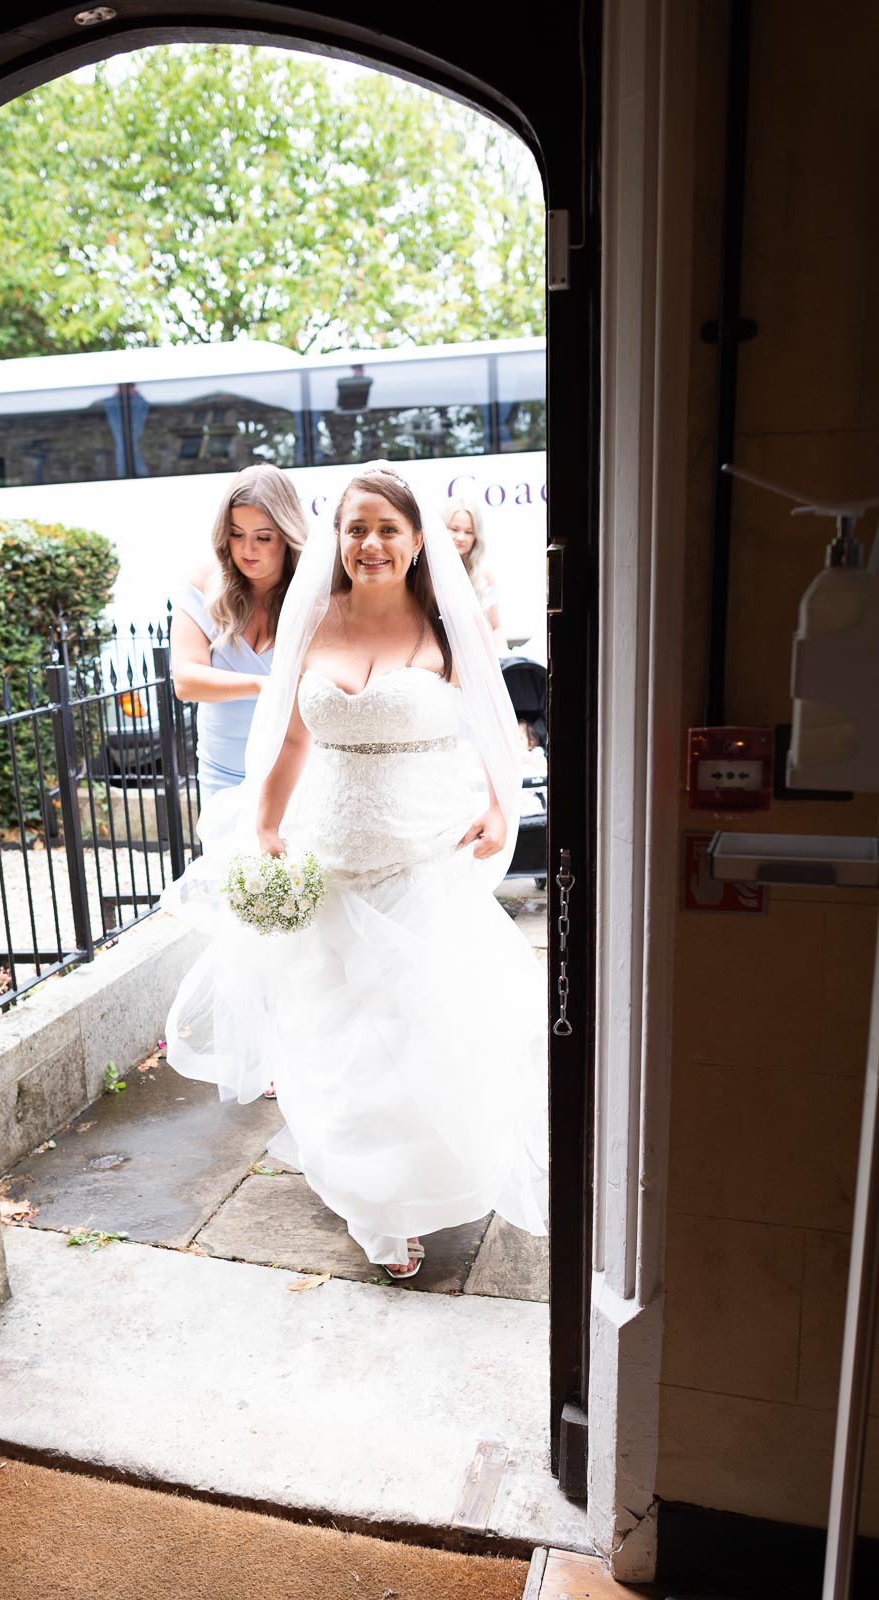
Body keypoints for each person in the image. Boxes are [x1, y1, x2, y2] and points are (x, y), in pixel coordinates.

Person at [165, 463, 547, 1279]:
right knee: (334, 1036)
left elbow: (496, 728)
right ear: (338, 540)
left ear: (417, 541)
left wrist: (496, 806)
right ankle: (375, 1208)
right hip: (326, 856)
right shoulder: (315, 619)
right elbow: (294, 737)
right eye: (355, 528)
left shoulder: (452, 625)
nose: (370, 543)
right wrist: (264, 823)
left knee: (422, 1027)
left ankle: (425, 1181)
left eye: (387, 529)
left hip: (423, 856)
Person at [170, 462, 308, 801]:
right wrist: (265, 686)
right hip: (221, 774)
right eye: (236, 534)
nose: (248, 550)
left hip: (300, 775)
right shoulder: (201, 583)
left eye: (263, 537)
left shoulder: (314, 594)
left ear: (287, 535)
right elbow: (186, 681)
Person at [441, 492, 509, 652]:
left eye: (469, 532)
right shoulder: (425, 572)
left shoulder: (484, 574)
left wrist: (502, 658)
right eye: (454, 529)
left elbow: (495, 626)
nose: (461, 537)